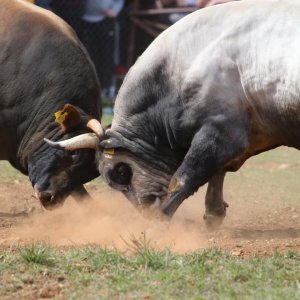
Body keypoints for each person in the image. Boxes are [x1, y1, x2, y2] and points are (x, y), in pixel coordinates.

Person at [81, 0, 124, 98]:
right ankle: (89, 88)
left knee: (106, 55)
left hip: (106, 20)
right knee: (89, 56)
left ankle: (106, 87)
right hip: (85, 18)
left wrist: (114, 11)